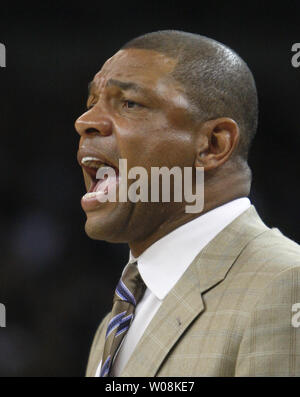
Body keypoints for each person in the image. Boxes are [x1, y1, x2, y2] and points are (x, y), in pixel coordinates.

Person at [74, 30, 300, 377]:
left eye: (130, 103)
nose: (85, 121)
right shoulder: (114, 323)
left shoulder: (284, 285)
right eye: (92, 103)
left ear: (213, 144)